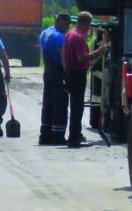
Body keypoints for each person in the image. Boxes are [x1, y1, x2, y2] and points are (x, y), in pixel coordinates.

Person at [62, 11, 109, 149]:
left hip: (70, 72)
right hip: (77, 73)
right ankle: (74, 138)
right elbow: (81, 57)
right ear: (87, 24)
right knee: (77, 107)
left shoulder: (69, 34)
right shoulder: (79, 37)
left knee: (74, 106)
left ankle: (75, 135)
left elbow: (64, 54)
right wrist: (99, 51)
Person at [38, 12, 71, 145]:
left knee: (48, 103)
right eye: (67, 24)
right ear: (62, 22)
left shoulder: (45, 33)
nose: (67, 27)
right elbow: (63, 56)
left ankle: (45, 134)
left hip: (48, 72)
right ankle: (57, 136)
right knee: (60, 104)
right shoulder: (58, 36)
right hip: (58, 72)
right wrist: (67, 74)